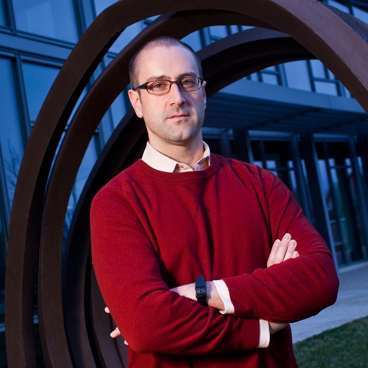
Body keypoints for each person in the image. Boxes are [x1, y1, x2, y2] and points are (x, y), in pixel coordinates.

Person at [90, 36, 339, 367]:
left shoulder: (261, 184)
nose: (177, 98)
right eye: (158, 85)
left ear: (203, 92)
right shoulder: (117, 202)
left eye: (187, 82)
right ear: (136, 102)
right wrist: (263, 325)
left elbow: (321, 279)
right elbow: (146, 325)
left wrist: (199, 293)